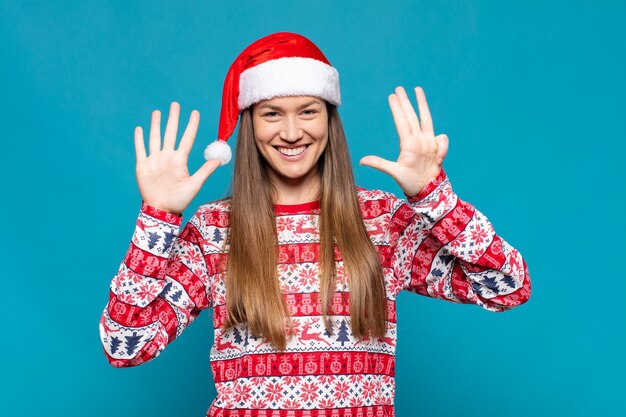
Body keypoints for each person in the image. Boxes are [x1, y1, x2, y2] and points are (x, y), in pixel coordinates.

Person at [99, 32, 531, 417]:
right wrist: (157, 219)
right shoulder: (215, 229)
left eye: (307, 111)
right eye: (271, 114)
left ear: (329, 118)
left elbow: (508, 284)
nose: (291, 131)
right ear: (250, 125)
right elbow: (126, 344)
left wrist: (434, 196)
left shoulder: (381, 222)